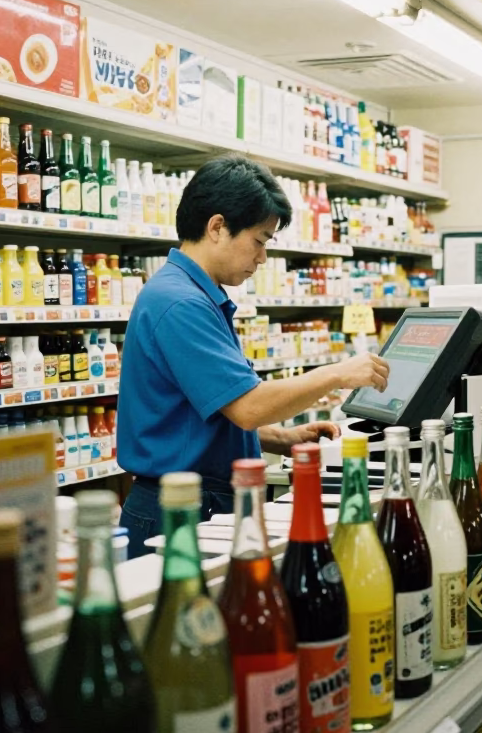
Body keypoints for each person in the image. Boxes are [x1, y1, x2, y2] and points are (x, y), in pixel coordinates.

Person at [116, 154, 390, 552]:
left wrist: (281, 438)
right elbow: (248, 407)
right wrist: (337, 373)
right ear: (217, 227)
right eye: (259, 241)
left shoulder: (195, 294)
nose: (262, 258)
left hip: (196, 500)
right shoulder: (180, 303)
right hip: (179, 511)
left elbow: (205, 413)